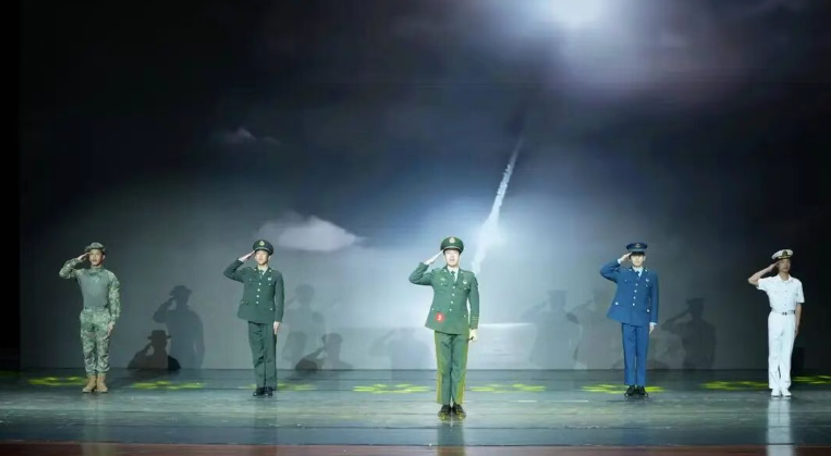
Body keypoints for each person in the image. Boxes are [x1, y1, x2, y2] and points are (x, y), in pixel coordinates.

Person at [409, 236, 480, 419]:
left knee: (459, 368)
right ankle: (444, 405)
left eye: (455, 252)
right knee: (443, 367)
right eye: (448, 253)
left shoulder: (469, 277)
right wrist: (426, 263)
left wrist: (473, 327)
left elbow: (475, 303)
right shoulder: (436, 275)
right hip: (441, 326)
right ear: (444, 256)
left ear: (460, 255)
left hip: (461, 328)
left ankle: (457, 404)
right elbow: (414, 278)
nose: (451, 256)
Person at [224, 240, 285, 397]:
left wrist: (278, 319)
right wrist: (241, 260)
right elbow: (228, 272)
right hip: (252, 317)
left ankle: (270, 385)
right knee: (257, 353)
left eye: (263, 253)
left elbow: (280, 299)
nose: (260, 256)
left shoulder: (276, 275)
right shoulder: (247, 273)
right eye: (257, 253)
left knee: (269, 353)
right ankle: (260, 385)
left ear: (269, 257)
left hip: (269, 318)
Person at [58, 242, 122, 393]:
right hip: (87, 315)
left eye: (97, 254)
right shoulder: (82, 274)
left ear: (103, 257)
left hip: (103, 315)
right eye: (91, 254)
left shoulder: (110, 276)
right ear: (88, 257)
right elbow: (63, 273)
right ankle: (91, 379)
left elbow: (114, 300)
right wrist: (76, 260)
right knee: (87, 350)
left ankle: (101, 381)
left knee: (102, 350)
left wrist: (113, 320)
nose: (94, 257)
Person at [599, 242, 659, 397]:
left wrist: (653, 321)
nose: (637, 258)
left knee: (642, 353)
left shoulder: (651, 275)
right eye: (634, 256)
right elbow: (604, 271)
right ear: (630, 258)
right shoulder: (623, 273)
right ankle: (631, 385)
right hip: (627, 319)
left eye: (640, 255)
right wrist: (620, 260)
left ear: (644, 257)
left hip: (643, 319)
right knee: (629, 353)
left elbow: (655, 299)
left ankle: (641, 385)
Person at [747, 249, 804, 397]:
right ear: (777, 265)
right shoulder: (770, 282)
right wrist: (768, 269)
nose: (785, 265)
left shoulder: (796, 283)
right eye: (782, 262)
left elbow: (798, 304)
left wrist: (797, 324)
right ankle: (775, 386)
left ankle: (784, 385)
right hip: (776, 317)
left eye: (788, 262)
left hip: (790, 318)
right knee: (774, 353)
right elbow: (751, 280)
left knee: (786, 353)